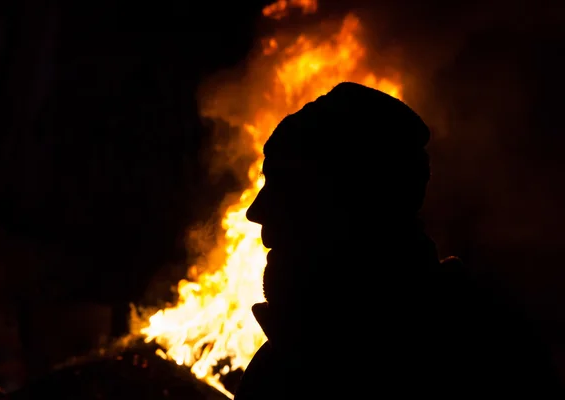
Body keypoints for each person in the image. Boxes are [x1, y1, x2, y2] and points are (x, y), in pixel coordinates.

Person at [234, 82, 563, 399]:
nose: (256, 211)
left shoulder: (488, 356)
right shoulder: (278, 364)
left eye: (286, 185)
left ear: (359, 201)